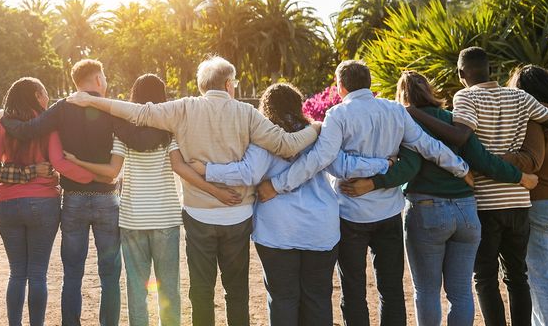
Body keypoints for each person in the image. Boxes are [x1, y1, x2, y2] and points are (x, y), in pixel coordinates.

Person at [65, 57, 320, 325]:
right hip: (236, 215)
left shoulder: (185, 108)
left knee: (199, 291)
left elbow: (140, 113)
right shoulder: (246, 113)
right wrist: (315, 128)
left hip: (195, 215)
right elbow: (286, 144)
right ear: (228, 84)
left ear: (202, 86)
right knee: (236, 291)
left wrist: (93, 101)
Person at [251, 60, 470, 326]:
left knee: (353, 290)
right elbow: (427, 145)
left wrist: (277, 185)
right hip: (388, 212)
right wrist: (460, 168)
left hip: (351, 213)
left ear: (340, 86)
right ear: (369, 83)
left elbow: (322, 160)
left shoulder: (338, 115)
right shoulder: (395, 111)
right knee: (391, 289)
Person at [341, 70, 538, 326]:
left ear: (403, 97)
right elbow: (482, 160)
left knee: (427, 291)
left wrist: (374, 182)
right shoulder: (454, 121)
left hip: (428, 211)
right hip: (467, 212)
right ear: (430, 91)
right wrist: (519, 176)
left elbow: (409, 167)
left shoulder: (407, 124)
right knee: (460, 292)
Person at [189, 83, 391, 326]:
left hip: (277, 231)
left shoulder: (265, 138)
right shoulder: (316, 134)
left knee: (283, 298)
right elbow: (344, 166)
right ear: (298, 106)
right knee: (317, 298)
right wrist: (383, 164)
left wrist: (207, 170)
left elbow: (248, 173)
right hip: (320, 230)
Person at [0, 60, 167, 326]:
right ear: (98, 79)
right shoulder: (111, 109)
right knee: (110, 274)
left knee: (73, 272)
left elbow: (29, 130)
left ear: (76, 81)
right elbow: (137, 139)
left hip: (73, 199)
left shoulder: (62, 108)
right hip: (107, 199)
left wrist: (4, 117)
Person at [408, 48, 548, 326]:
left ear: (462, 74)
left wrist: (413, 113)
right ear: (491, 70)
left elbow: (462, 137)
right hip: (519, 202)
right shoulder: (522, 97)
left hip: (485, 202)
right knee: (517, 275)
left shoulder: (465, 96)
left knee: (485, 277)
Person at [0, 77, 95, 326]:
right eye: (44, 92)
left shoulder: (2, 126)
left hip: (7, 203)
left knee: (16, 273)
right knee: (37, 274)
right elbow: (59, 163)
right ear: (35, 95)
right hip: (43, 203)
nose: (47, 98)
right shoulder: (49, 126)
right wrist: (95, 176)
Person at [64, 74, 185, 326]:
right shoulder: (170, 131)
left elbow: (110, 173)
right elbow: (179, 166)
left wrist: (75, 161)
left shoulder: (123, 132)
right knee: (169, 290)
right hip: (166, 218)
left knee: (136, 290)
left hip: (132, 219)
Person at [506, 65, 548, 324]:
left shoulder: (534, 118)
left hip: (540, 201)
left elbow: (533, 161)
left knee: (541, 276)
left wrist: (493, 159)